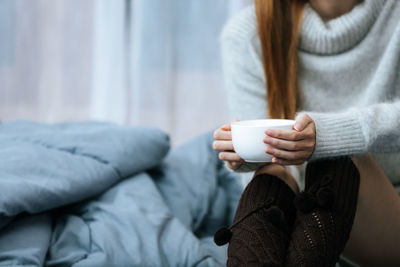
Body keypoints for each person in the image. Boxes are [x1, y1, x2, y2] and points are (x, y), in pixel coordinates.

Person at [212, 0, 400, 266]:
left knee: (341, 160)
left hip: (388, 214)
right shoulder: (246, 35)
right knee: (271, 175)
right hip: (307, 213)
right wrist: (245, 154)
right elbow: (270, 168)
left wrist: (331, 136)